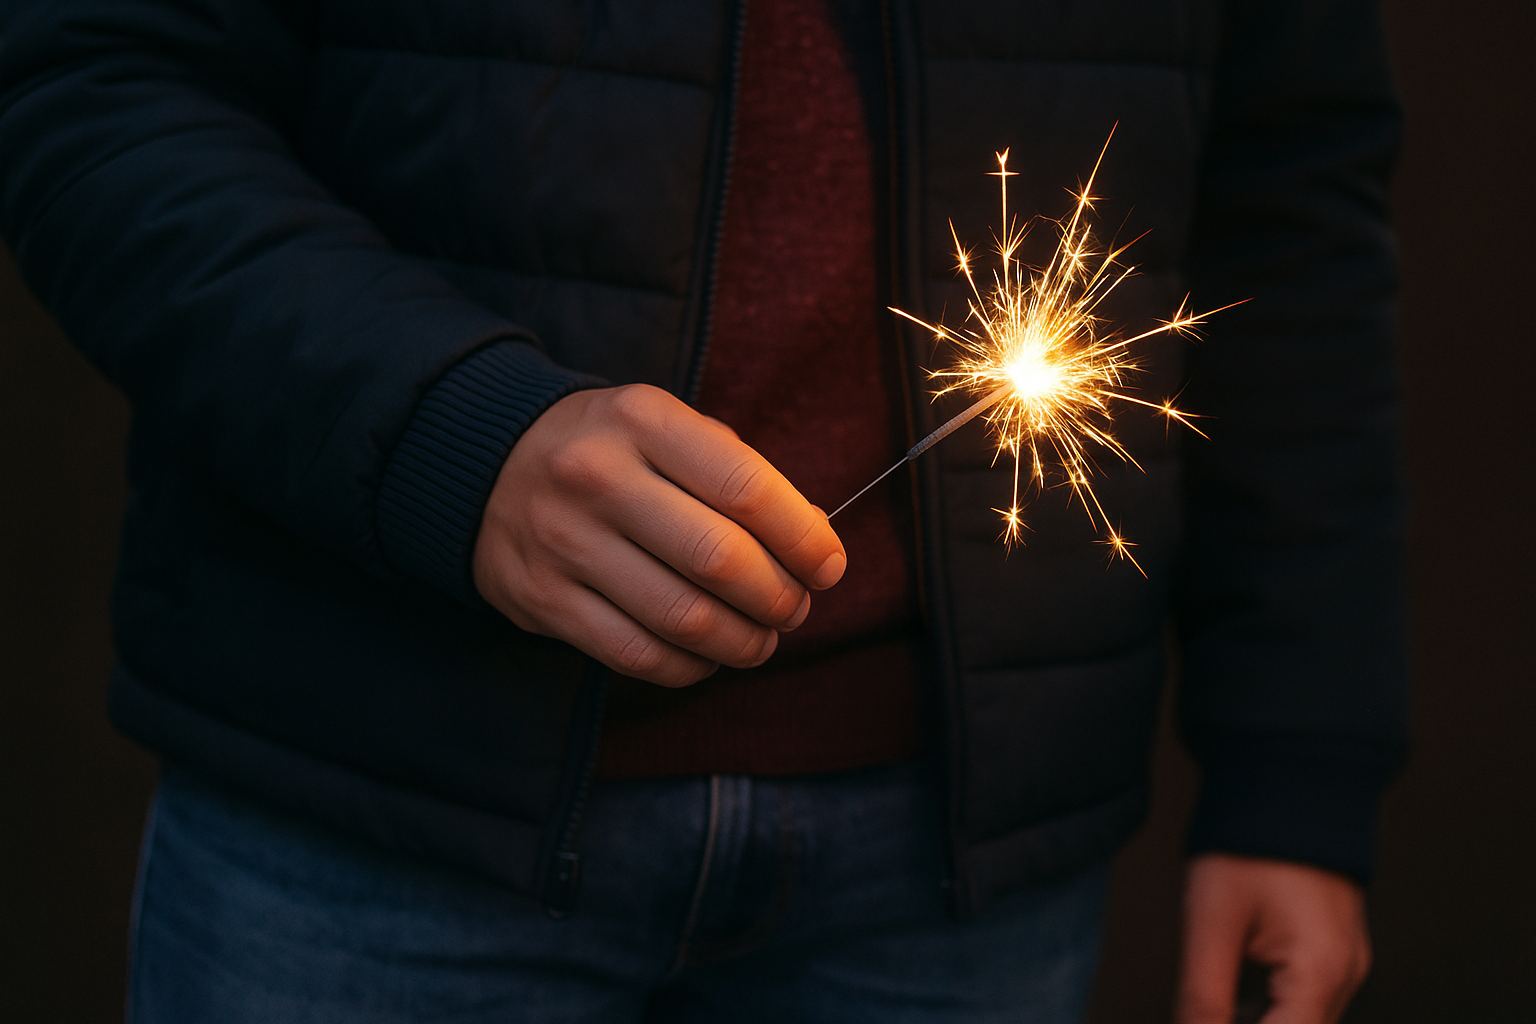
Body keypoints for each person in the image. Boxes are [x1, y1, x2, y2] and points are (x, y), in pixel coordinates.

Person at [0, 0, 1408, 1021]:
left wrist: (1298, 766)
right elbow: (97, 75)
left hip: (962, 872)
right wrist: (449, 438)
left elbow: (1282, 216)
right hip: (378, 796)